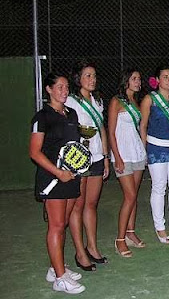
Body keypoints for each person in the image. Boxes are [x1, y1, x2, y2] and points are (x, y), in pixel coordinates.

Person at [29, 73, 85, 294]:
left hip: (71, 176)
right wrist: (58, 173)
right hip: (53, 178)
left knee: (63, 224)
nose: (64, 90)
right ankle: (60, 278)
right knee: (57, 225)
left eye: (66, 87)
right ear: (49, 90)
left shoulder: (71, 113)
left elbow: (73, 145)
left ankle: (56, 267)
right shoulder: (42, 117)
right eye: (59, 87)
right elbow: (34, 152)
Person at [66, 60, 109, 271]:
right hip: (79, 159)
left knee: (91, 204)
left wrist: (106, 156)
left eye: (93, 75)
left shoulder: (98, 101)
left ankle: (92, 247)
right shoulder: (71, 101)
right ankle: (80, 252)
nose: (92, 79)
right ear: (78, 79)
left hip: (97, 157)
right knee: (78, 205)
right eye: (87, 76)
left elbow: (102, 129)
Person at [140, 65, 169, 243]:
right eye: (165, 77)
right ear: (157, 80)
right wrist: (145, 150)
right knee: (159, 187)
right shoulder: (149, 99)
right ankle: (159, 227)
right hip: (156, 148)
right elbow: (143, 126)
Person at [108, 69, 147, 257]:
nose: (138, 81)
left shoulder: (136, 103)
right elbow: (111, 132)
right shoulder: (116, 101)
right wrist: (116, 156)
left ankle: (131, 232)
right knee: (129, 196)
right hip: (122, 155)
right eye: (134, 79)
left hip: (137, 154)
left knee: (134, 195)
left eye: (139, 79)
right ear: (126, 82)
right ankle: (120, 239)